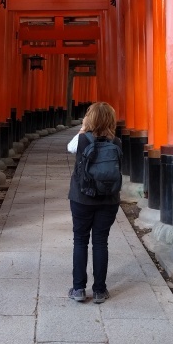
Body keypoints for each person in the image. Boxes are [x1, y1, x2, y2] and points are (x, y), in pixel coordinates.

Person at [67, 102, 122, 303]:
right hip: (108, 199)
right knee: (100, 241)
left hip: (82, 198)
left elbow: (70, 148)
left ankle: (78, 289)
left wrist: (83, 128)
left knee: (80, 240)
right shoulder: (116, 142)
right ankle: (99, 290)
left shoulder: (82, 139)